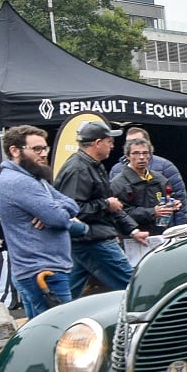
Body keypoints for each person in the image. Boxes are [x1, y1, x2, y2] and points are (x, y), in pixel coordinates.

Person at [0, 124, 85, 319]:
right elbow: (59, 219)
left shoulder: (34, 179)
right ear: (15, 151)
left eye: (45, 148)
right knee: (59, 332)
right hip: (42, 272)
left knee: (40, 332)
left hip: (39, 269)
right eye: (37, 149)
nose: (43, 154)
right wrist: (52, 213)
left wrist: (52, 210)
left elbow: (72, 205)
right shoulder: (19, 181)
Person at [56, 123, 143, 294]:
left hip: (86, 240)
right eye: (109, 141)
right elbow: (72, 210)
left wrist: (133, 230)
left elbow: (110, 202)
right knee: (134, 288)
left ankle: (53, 317)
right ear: (97, 143)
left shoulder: (92, 165)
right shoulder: (78, 168)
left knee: (66, 294)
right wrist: (106, 205)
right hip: (92, 240)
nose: (112, 145)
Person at [123, 126, 187, 226]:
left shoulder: (166, 167)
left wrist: (180, 227)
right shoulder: (117, 171)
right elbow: (118, 210)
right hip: (132, 231)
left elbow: (179, 198)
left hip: (161, 228)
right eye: (129, 142)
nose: (134, 145)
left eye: (138, 141)